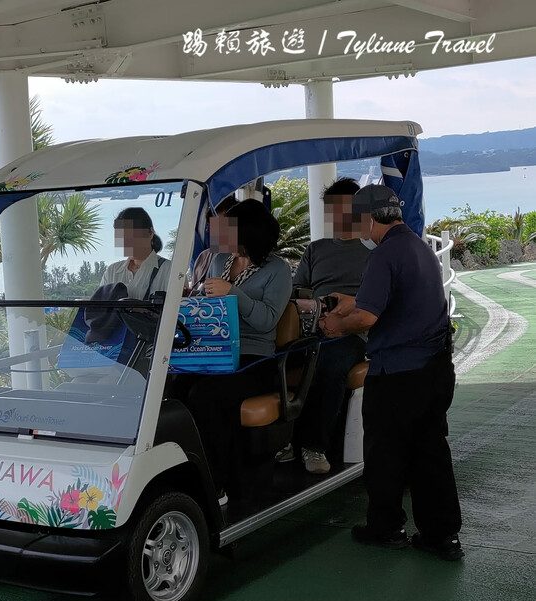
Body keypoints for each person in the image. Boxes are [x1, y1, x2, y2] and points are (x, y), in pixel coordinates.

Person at [320, 184, 463, 561]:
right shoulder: (418, 247)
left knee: (385, 453)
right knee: (431, 452)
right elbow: (388, 298)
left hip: (398, 373)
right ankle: (442, 536)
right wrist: (351, 302)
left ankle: (386, 528)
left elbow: (367, 316)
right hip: (434, 368)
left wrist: (337, 326)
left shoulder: (384, 255)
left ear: (368, 219)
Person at [185, 199, 292, 511]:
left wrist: (233, 293)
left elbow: (266, 320)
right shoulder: (220, 261)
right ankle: (189, 470)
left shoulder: (277, 270)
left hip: (255, 357)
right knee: (175, 387)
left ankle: (218, 481)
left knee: (206, 395)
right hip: (217, 348)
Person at [286, 177, 370, 474]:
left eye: (342, 209)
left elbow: (379, 301)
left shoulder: (373, 251)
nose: (336, 217)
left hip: (354, 331)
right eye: (331, 210)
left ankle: (315, 446)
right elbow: (297, 294)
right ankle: (281, 438)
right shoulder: (316, 249)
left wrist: (343, 320)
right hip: (313, 329)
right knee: (273, 360)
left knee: (330, 364)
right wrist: (316, 312)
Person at [100, 207, 172, 299]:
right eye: (122, 236)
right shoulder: (112, 271)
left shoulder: (170, 270)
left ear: (150, 233)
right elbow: (100, 310)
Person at [187, 194, 239, 295]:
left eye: (223, 226)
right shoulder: (203, 257)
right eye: (213, 226)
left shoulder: (247, 260)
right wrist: (191, 294)